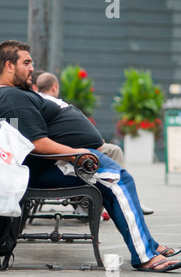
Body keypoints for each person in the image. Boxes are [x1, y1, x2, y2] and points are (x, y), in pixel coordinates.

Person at [0, 39, 181, 272]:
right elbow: (36, 144)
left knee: (113, 186)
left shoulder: (2, 93)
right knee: (118, 181)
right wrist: (76, 152)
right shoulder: (11, 97)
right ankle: (145, 256)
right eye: (26, 63)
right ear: (8, 66)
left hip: (62, 161)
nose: (31, 68)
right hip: (58, 164)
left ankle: (147, 244)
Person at [34, 71, 154, 215]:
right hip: (63, 155)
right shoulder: (43, 105)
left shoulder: (45, 103)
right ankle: (119, 202)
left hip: (71, 151)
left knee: (109, 151)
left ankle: (122, 199)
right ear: (55, 87)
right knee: (112, 151)